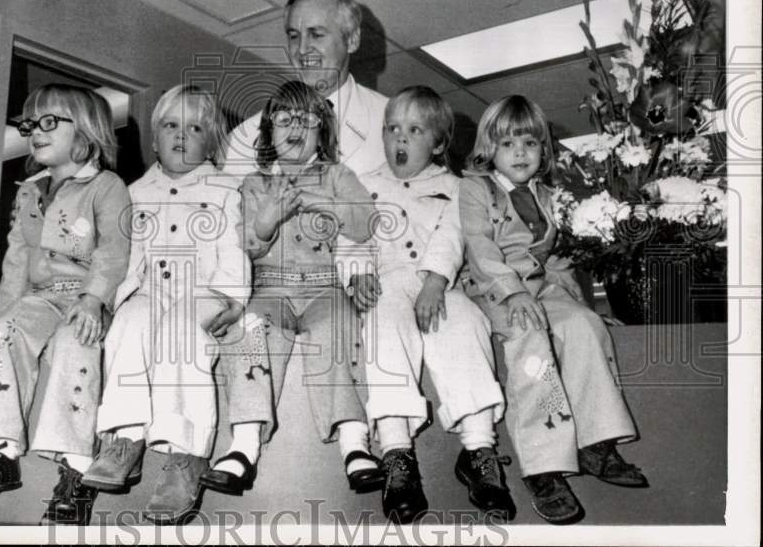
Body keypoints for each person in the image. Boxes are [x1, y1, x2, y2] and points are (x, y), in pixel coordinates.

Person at [0, 84, 131, 527]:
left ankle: (76, 468)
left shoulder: (105, 185)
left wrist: (93, 300)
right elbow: (17, 261)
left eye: (49, 122)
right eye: (29, 124)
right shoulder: (28, 191)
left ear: (86, 130)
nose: (34, 132)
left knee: (75, 346)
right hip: (39, 297)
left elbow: (114, 250)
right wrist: (0, 316)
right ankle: (0, 454)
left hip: (85, 297)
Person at [459, 94, 648, 525]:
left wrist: (586, 307)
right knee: (532, 343)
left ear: (544, 149)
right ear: (489, 149)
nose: (520, 153)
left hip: (543, 289)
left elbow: (559, 260)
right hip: (493, 291)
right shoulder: (475, 188)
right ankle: (543, 467)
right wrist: (512, 292)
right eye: (508, 144)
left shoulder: (548, 194)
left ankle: (596, 442)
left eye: (529, 143)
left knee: (582, 326)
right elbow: (480, 246)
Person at [200, 80, 382, 495]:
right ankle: (243, 445)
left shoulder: (337, 175)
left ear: (324, 131)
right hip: (270, 288)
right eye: (284, 119)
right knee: (247, 331)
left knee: (339, 326)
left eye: (307, 119)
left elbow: (364, 222)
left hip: (323, 287)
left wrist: (325, 203)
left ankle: (355, 443)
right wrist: (266, 220)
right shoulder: (252, 184)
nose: (296, 127)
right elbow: (242, 243)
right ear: (267, 133)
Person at [82, 85, 251, 524]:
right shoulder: (135, 192)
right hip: (151, 291)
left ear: (211, 141)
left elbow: (234, 249)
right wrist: (112, 303)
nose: (180, 135)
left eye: (194, 128)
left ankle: (185, 455)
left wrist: (233, 296)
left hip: (204, 291)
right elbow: (129, 257)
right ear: (154, 138)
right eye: (170, 126)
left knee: (182, 333)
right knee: (128, 324)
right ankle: (124, 437)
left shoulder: (227, 190)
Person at [357, 86, 515, 523]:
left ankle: (479, 449)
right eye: (392, 129)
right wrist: (357, 272)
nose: (400, 139)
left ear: (440, 143)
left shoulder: (456, 186)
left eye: (414, 130)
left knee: (465, 323)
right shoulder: (363, 185)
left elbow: (451, 236)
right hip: (386, 280)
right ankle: (396, 454)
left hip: (438, 283)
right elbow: (348, 236)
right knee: (384, 323)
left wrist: (435, 281)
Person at [223, 0, 387, 179]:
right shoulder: (245, 135)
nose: (301, 49)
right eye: (294, 36)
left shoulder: (390, 120)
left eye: (316, 35)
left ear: (352, 40)